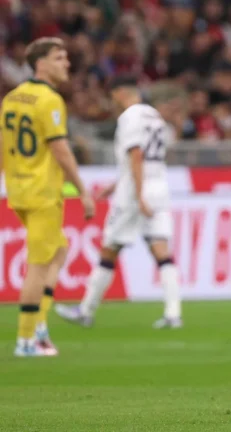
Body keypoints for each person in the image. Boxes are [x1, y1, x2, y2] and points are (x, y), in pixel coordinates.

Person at [55, 77, 182, 329]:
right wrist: (113, 186)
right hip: (159, 185)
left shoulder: (130, 117)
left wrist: (138, 194)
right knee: (161, 249)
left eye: (112, 95)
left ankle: (86, 310)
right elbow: (146, 159)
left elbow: (136, 155)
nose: (111, 101)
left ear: (121, 92)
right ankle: (173, 314)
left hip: (137, 191)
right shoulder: (154, 116)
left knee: (109, 248)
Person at [0, 37, 95, 357]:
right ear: (41, 63)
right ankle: (26, 340)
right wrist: (83, 190)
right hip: (43, 191)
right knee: (39, 265)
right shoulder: (49, 99)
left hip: (19, 189)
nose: (66, 63)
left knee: (59, 250)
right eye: (59, 58)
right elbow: (61, 150)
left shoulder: (12, 97)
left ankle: (39, 324)